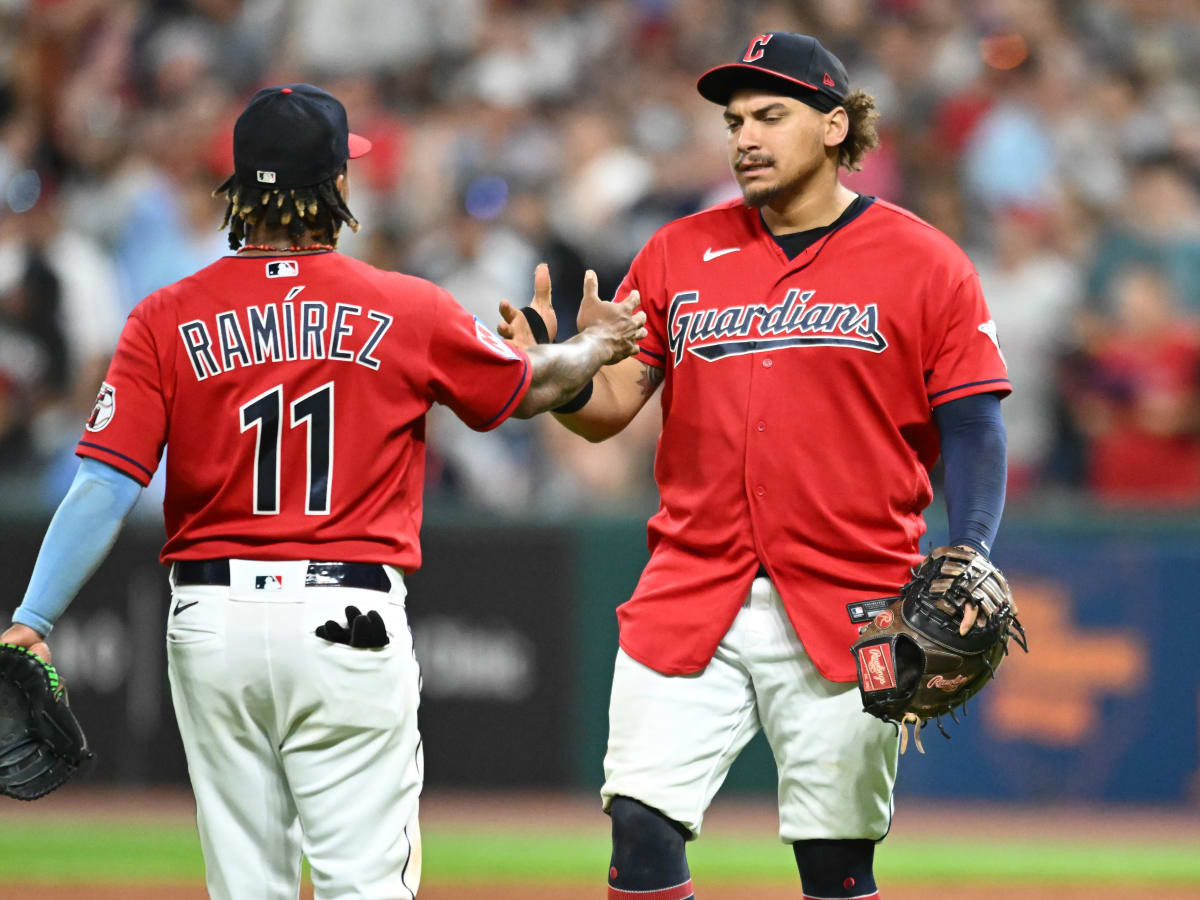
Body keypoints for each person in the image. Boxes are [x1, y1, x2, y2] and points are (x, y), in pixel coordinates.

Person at [1, 83, 645, 900]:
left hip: (211, 624)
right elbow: (530, 387)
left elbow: (102, 483)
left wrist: (33, 617)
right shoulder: (405, 304)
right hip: (346, 618)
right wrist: (591, 347)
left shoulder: (164, 317)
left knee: (248, 888)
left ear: (238, 187)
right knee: (365, 885)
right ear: (336, 188)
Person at [499, 32, 1011, 900]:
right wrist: (552, 377)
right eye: (735, 119)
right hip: (692, 581)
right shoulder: (677, 252)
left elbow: (973, 427)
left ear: (836, 126)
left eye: (771, 115)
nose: (745, 136)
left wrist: (969, 550)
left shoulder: (923, 259)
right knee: (639, 828)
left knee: (835, 861)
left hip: (855, 597)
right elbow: (613, 407)